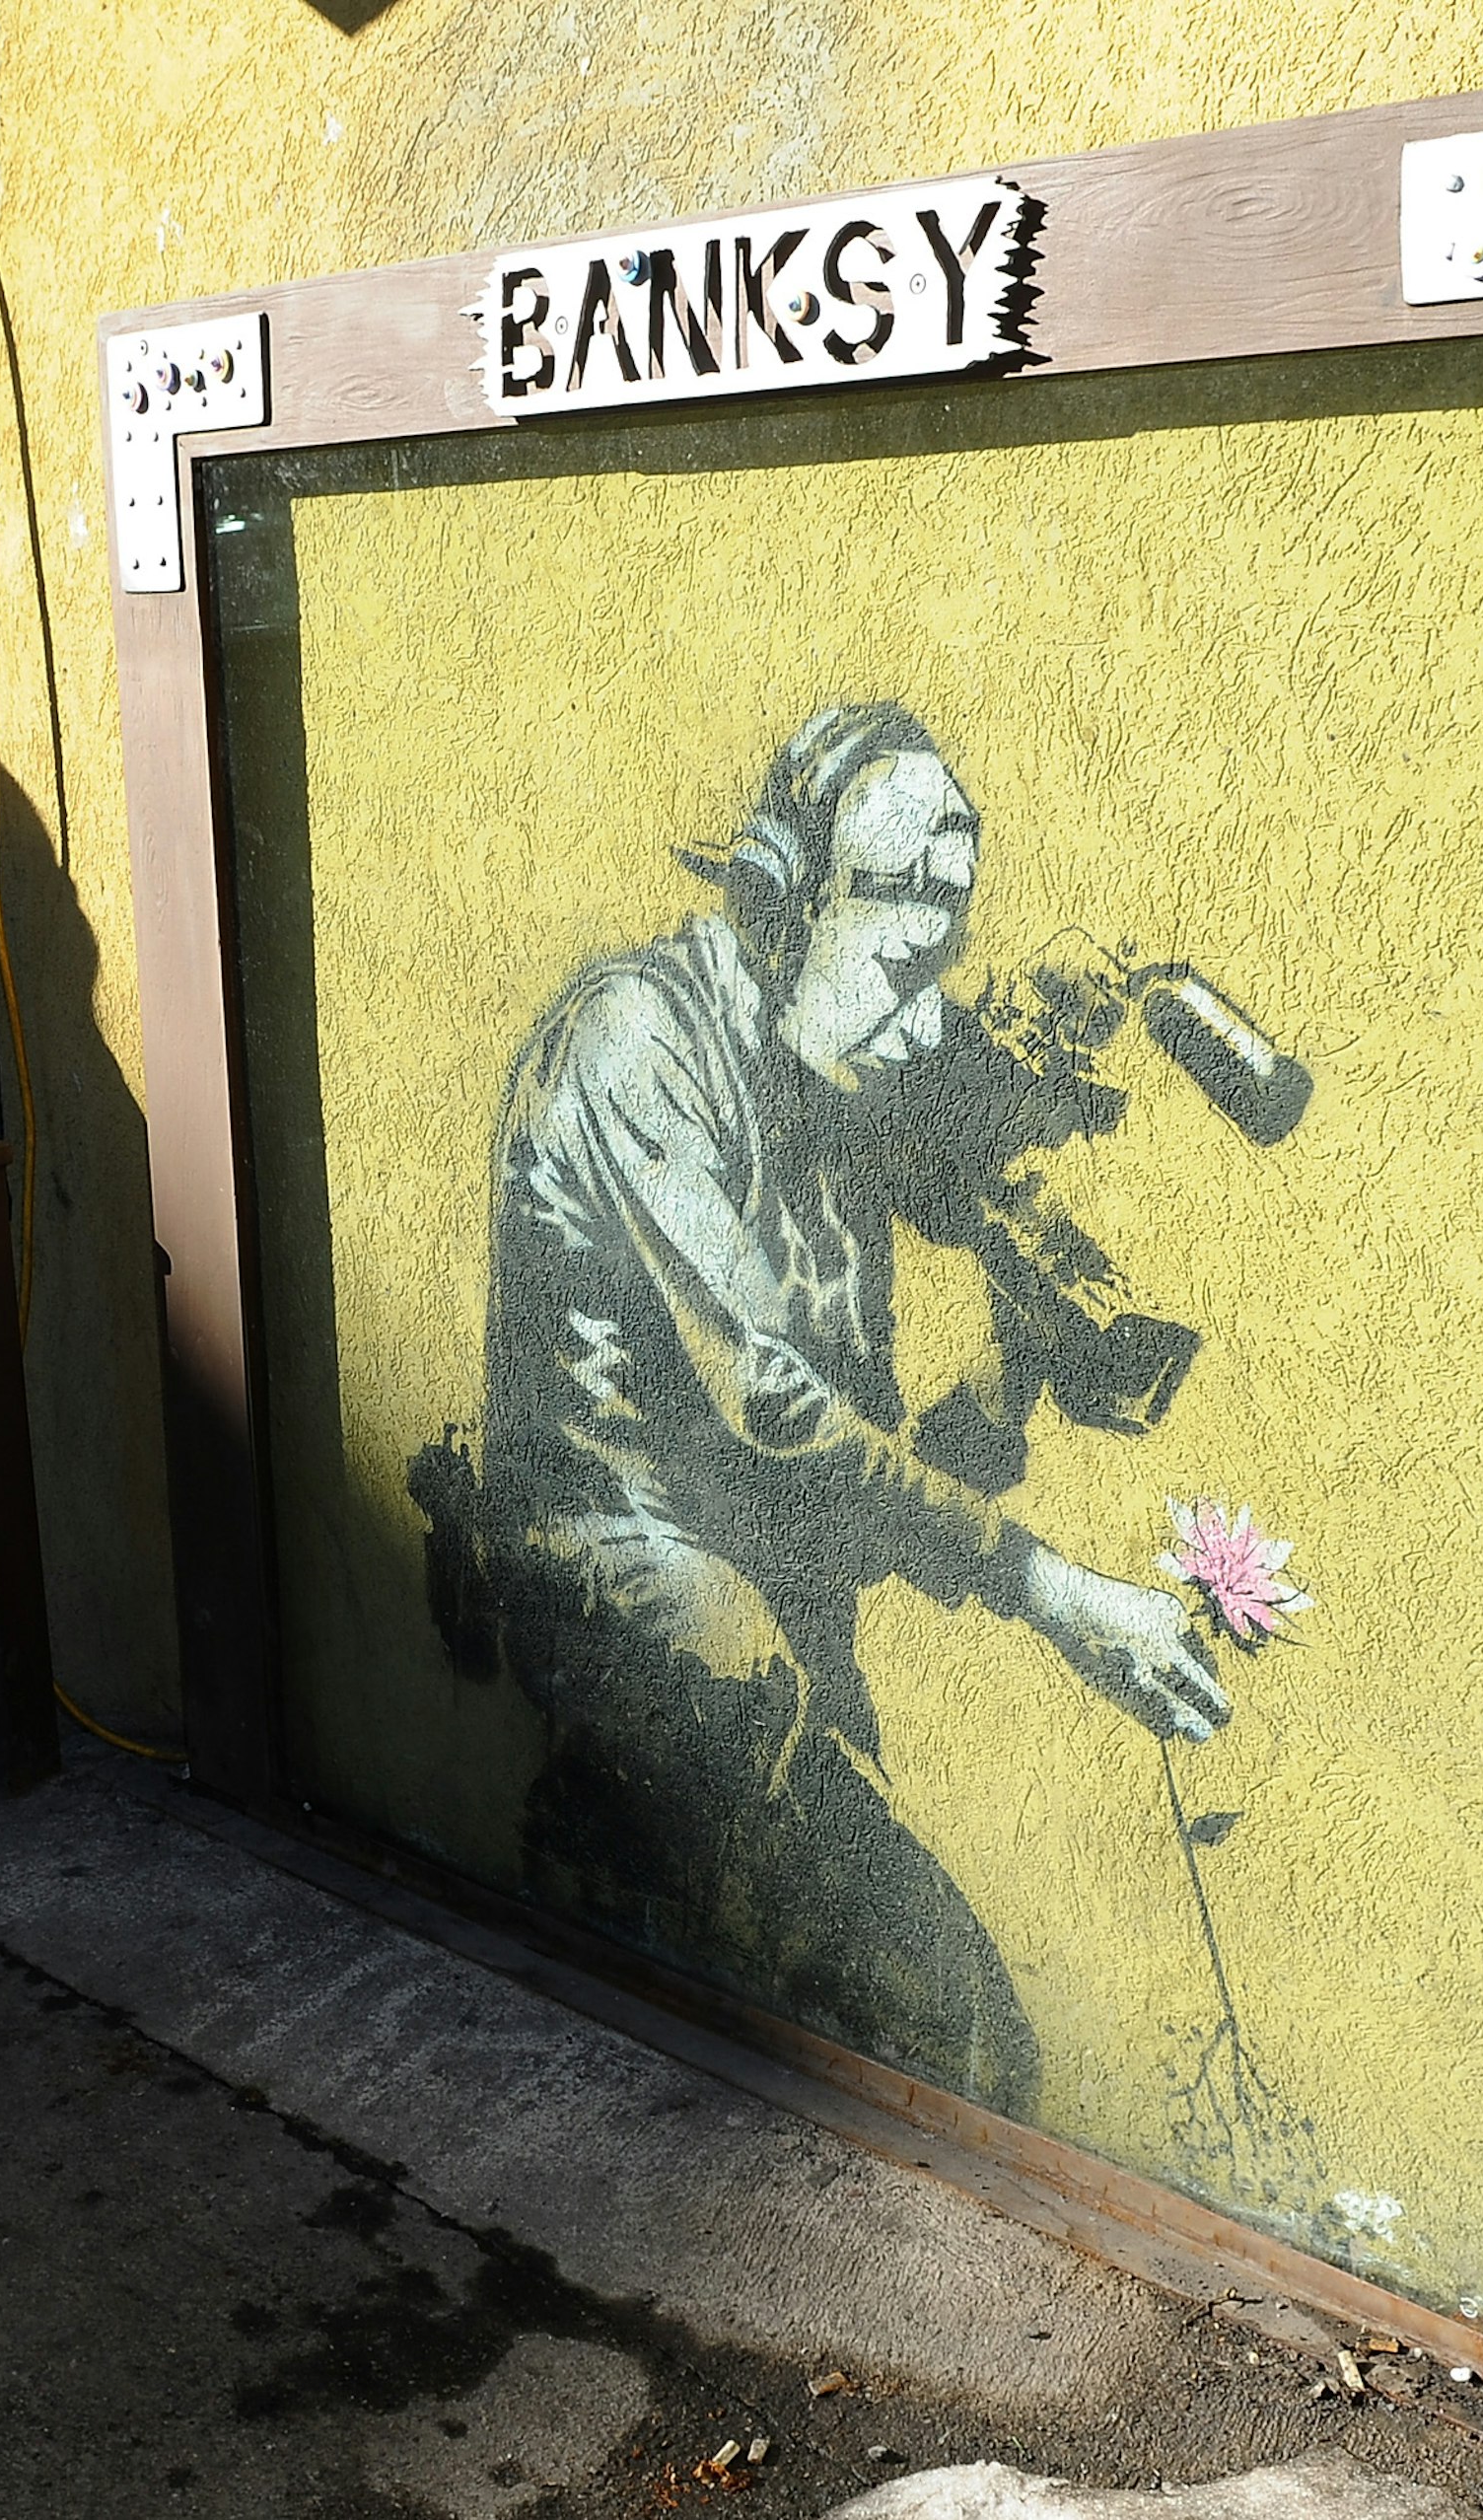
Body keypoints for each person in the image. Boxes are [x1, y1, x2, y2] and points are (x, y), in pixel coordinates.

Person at [417, 701, 1233, 2111]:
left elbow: (881, 1467)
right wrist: (1051, 1587)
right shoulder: (635, 1038)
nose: (926, 1014)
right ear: (774, 898)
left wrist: (1021, 1346)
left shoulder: (827, 1067)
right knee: (953, 2017)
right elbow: (777, 1403)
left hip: (780, 1607)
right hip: (631, 1577)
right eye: (902, 946)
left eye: (949, 952)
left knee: (848, 2030)